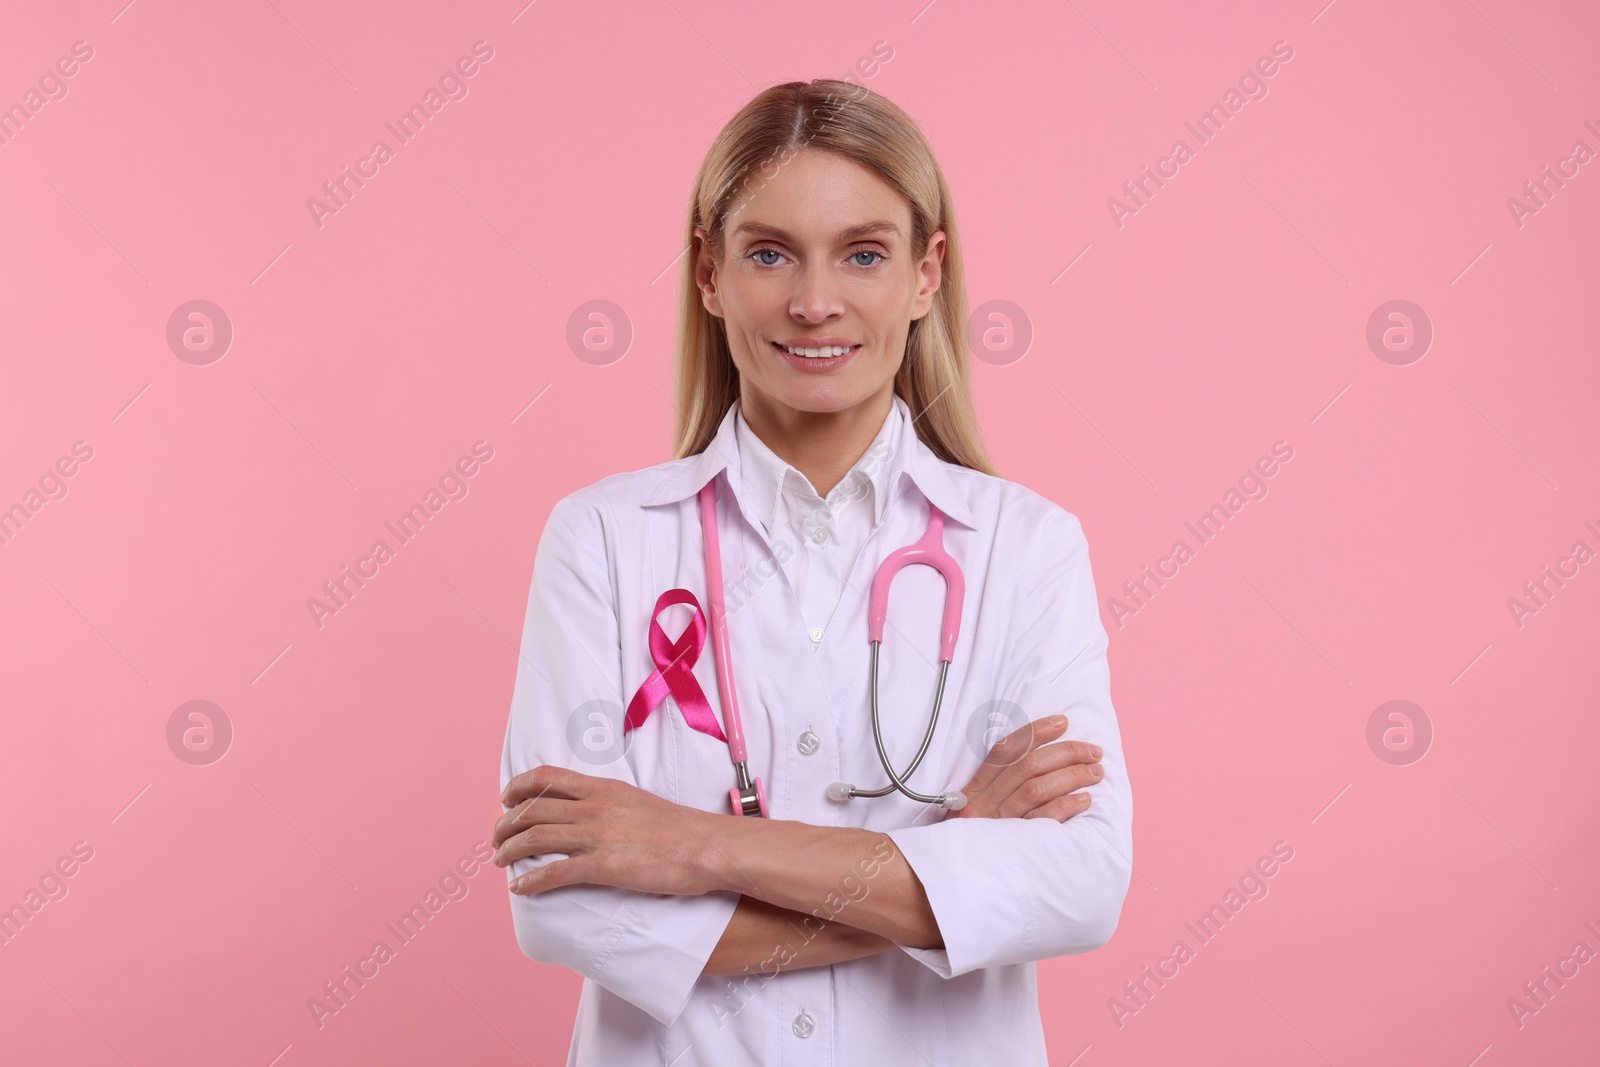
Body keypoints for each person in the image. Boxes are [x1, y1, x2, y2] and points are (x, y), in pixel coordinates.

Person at [492, 78, 1133, 1066]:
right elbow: (560, 904)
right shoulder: (603, 538)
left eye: (864, 253)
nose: (814, 301)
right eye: (768, 252)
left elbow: (1078, 884)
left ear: (927, 274)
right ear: (708, 273)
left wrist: (693, 845)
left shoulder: (1027, 547)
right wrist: (950, 872)